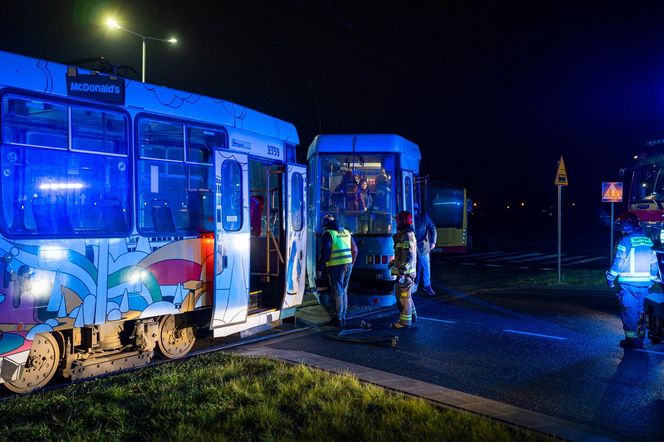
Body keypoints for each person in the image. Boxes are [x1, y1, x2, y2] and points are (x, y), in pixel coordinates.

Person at [606, 211, 659, 349]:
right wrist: (651, 280)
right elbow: (654, 264)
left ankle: (632, 341)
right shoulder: (648, 240)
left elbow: (618, 262)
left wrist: (610, 278)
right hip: (645, 285)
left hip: (628, 286)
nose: (621, 227)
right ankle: (640, 339)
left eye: (622, 225)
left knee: (629, 313)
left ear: (628, 226)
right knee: (641, 313)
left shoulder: (625, 241)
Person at [317, 214, 358, 328]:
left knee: (338, 291)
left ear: (325, 225)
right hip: (348, 264)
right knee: (344, 291)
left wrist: (320, 268)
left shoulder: (329, 234)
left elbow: (325, 253)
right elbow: (355, 249)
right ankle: (343, 316)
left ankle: (338, 318)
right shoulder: (346, 232)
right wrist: (351, 263)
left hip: (337, 266)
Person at [390, 210, 418, 328]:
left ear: (402, 222)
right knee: (405, 294)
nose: (396, 223)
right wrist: (393, 262)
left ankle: (405, 322)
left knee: (404, 296)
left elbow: (410, 256)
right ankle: (413, 315)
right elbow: (403, 254)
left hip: (406, 274)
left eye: (397, 221)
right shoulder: (404, 234)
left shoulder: (406, 235)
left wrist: (402, 271)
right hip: (405, 273)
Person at [413, 203, 437, 296]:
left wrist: (433, 242)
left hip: (423, 246)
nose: (414, 210)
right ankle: (413, 284)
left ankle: (427, 285)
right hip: (412, 247)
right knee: (412, 267)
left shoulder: (424, 217)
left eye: (416, 208)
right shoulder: (409, 217)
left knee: (426, 266)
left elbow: (433, 228)